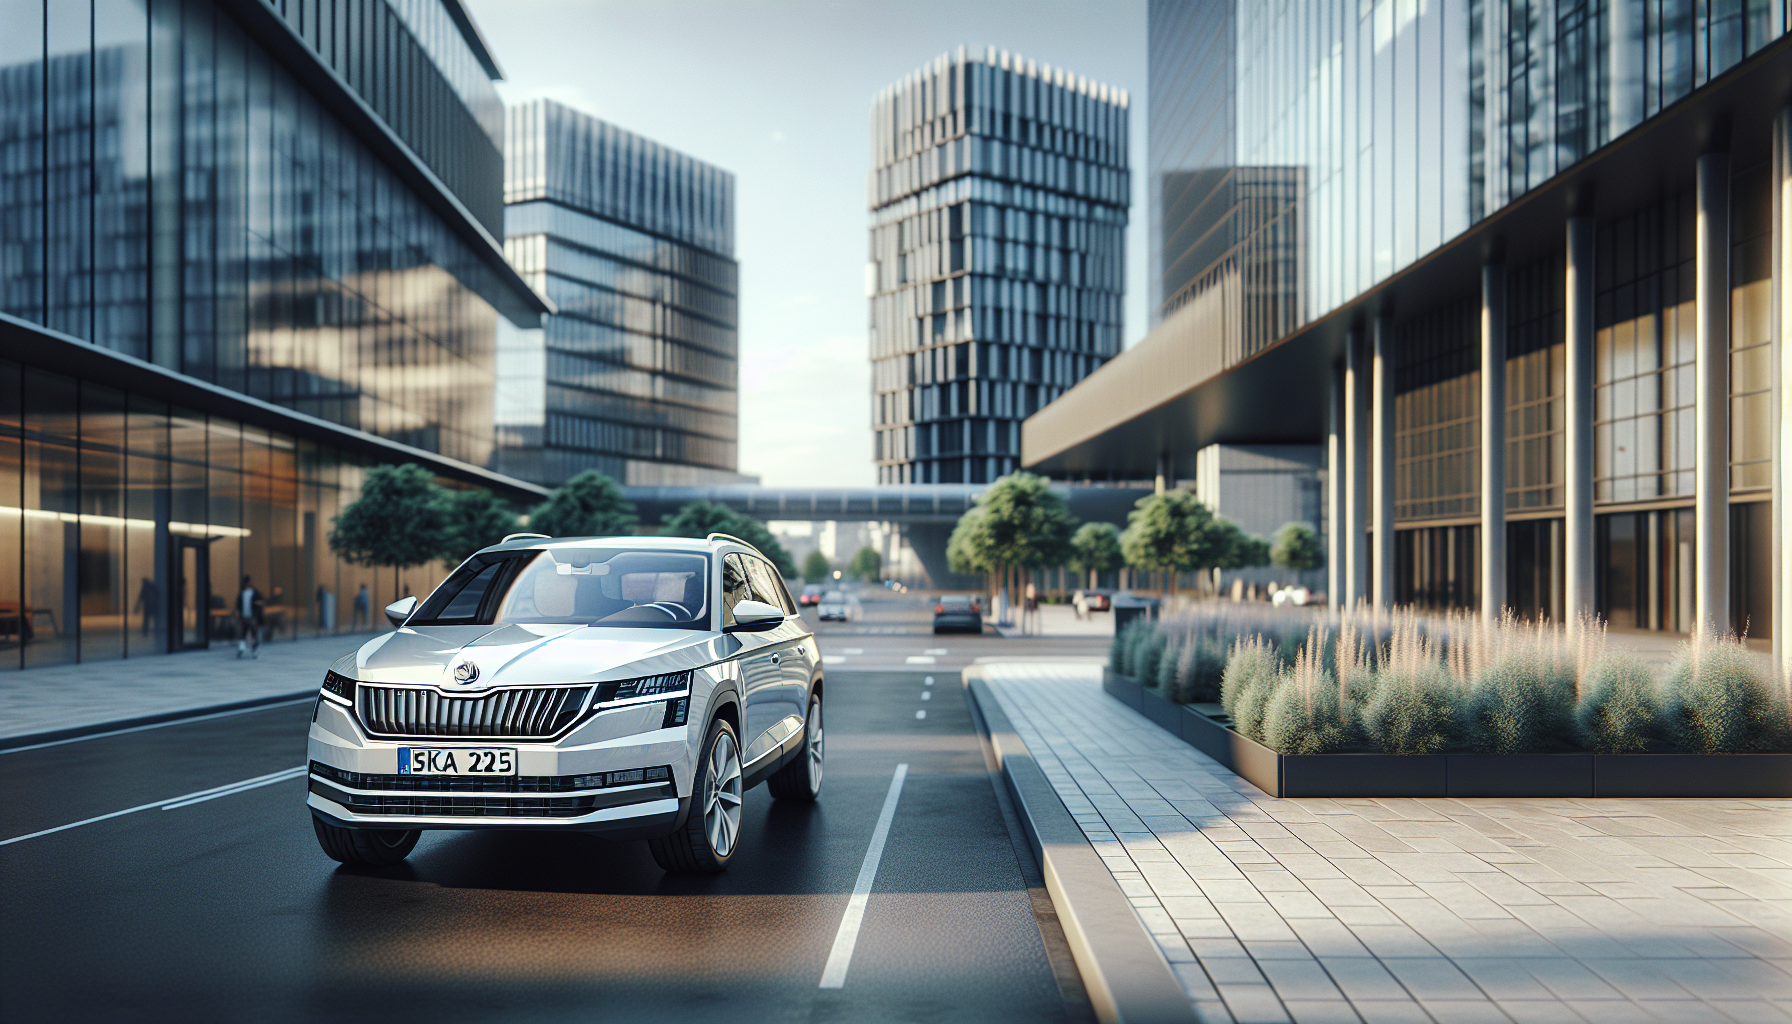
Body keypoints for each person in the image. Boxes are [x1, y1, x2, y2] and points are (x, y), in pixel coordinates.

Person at [236, 576, 264, 660]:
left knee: (253, 633)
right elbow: (239, 606)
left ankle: (254, 649)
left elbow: (260, 602)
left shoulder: (255, 593)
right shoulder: (242, 594)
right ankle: (242, 649)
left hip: (252, 617)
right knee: (243, 633)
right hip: (245, 617)